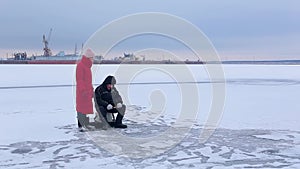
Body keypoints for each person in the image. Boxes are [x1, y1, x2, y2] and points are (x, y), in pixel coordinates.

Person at [76, 48, 95, 130]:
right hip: (82, 92)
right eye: (92, 58)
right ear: (88, 58)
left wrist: (91, 89)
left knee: (86, 109)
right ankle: (81, 125)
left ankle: (86, 124)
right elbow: (80, 80)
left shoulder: (87, 67)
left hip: (87, 91)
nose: (93, 60)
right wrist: (83, 90)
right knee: (81, 108)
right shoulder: (81, 66)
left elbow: (88, 81)